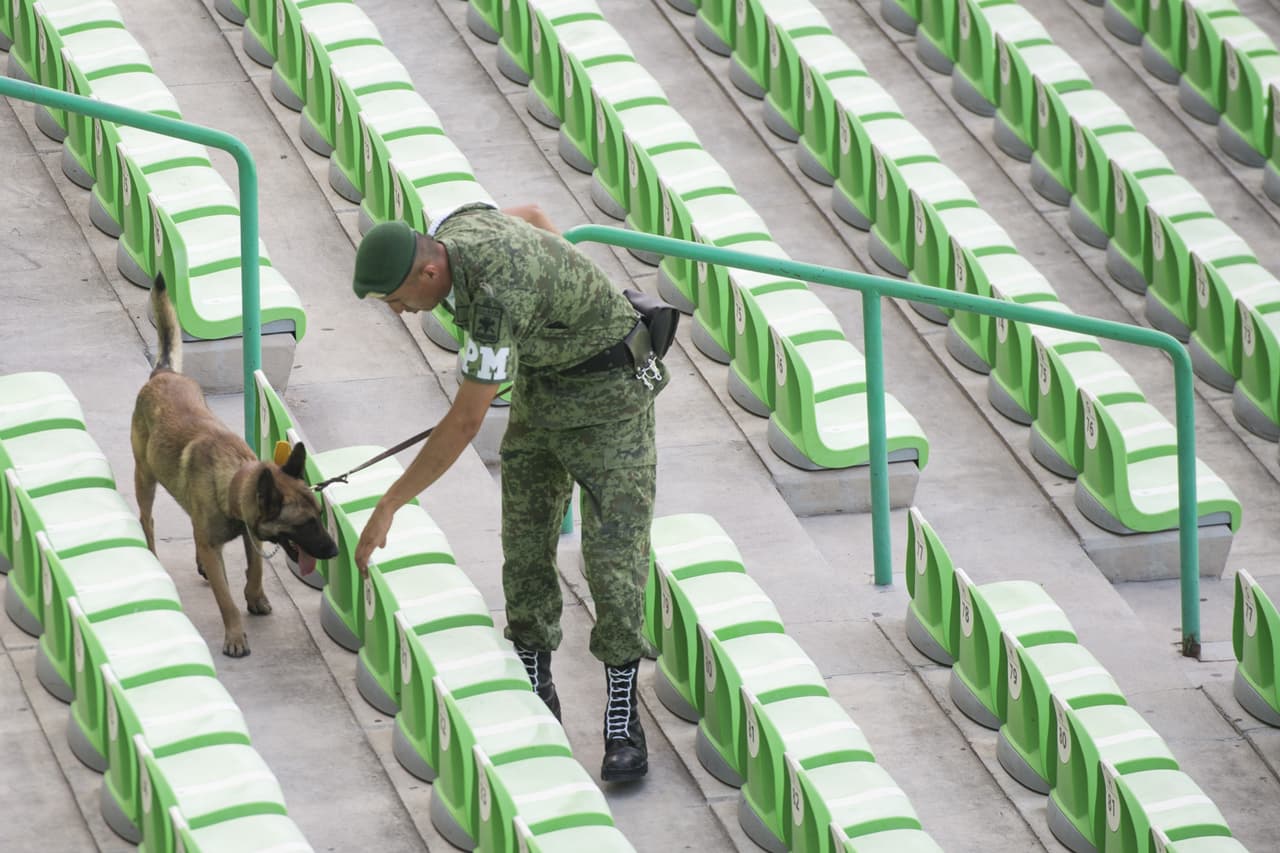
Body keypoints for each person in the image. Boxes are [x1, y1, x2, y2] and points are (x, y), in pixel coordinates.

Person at [350, 203, 667, 782]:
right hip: (546, 390)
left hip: (611, 404)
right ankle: (534, 678)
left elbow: (466, 421)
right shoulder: (455, 230)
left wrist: (391, 501)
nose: (397, 312)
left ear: (427, 274)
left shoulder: (494, 300)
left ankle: (623, 713)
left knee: (612, 559)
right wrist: (563, 290)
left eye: (396, 298)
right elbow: (531, 214)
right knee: (524, 542)